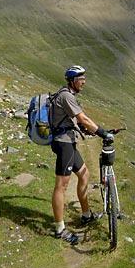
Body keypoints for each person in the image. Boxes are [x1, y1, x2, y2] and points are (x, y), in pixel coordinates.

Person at [50, 65, 114, 245]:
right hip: (63, 144)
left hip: (68, 141)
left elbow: (73, 121)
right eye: (80, 79)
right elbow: (83, 119)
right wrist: (102, 133)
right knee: (61, 186)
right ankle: (59, 229)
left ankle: (86, 215)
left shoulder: (67, 95)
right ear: (72, 81)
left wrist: (88, 131)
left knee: (84, 174)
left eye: (84, 78)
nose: (84, 82)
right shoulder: (66, 96)